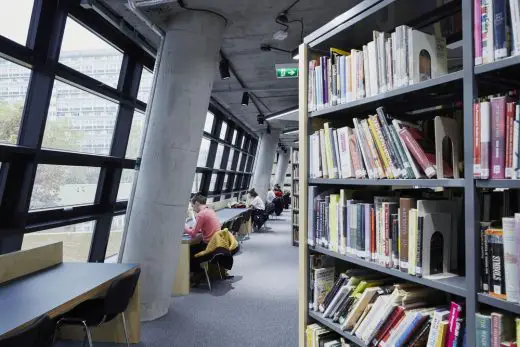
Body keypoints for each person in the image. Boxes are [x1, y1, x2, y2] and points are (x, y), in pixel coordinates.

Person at [184, 194, 221, 282]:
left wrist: (184, 227)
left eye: (192, 206)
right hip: (216, 245)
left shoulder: (201, 214)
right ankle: (199, 273)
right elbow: (204, 228)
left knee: (187, 251)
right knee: (194, 247)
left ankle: (198, 274)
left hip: (208, 247)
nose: (192, 208)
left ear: (196, 203)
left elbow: (193, 234)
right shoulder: (210, 211)